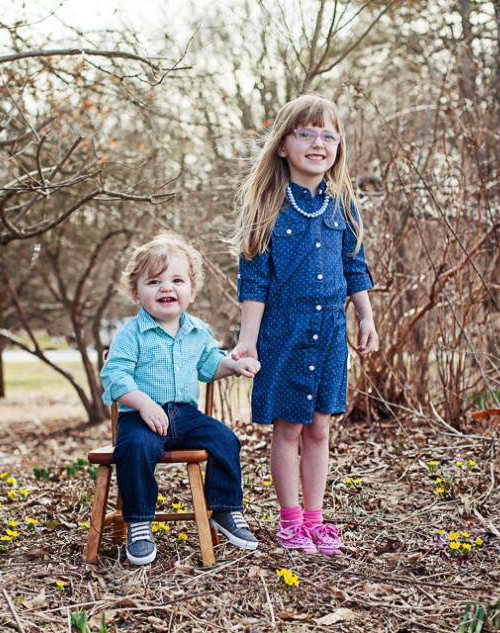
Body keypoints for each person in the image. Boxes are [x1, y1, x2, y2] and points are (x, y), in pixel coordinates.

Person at [232, 94, 378, 555]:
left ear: (339, 145)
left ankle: (316, 520)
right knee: (289, 428)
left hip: (331, 332)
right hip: (284, 333)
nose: (319, 143)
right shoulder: (268, 203)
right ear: (282, 145)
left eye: (328, 135)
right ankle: (291, 521)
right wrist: (248, 343)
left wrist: (367, 316)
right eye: (306, 133)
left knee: (319, 428)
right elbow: (254, 280)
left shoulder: (343, 203)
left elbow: (355, 265)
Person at [100, 234, 262, 565]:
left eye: (176, 280)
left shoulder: (196, 331)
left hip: (185, 417)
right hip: (140, 417)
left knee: (225, 439)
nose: (166, 288)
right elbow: (114, 376)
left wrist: (232, 365)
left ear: (191, 291)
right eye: (154, 281)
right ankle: (140, 521)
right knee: (135, 449)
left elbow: (208, 365)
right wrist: (143, 403)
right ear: (136, 292)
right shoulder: (131, 335)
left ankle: (225, 510)